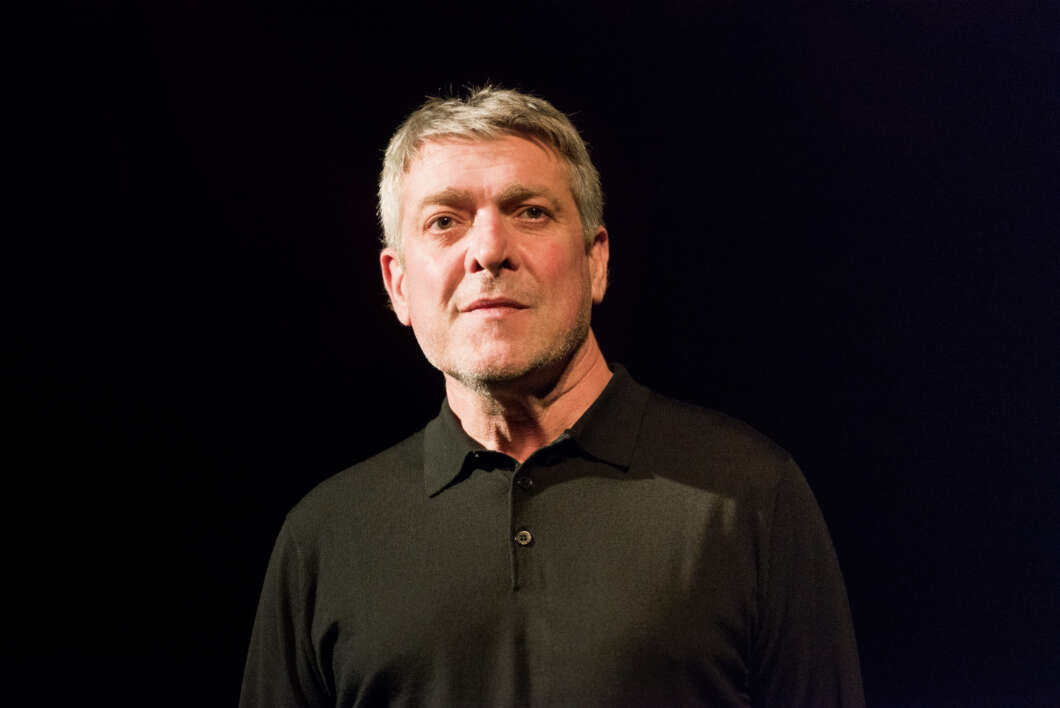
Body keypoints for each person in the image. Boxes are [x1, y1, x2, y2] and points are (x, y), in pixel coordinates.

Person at [240, 86, 865, 707]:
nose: (489, 251)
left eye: (530, 212)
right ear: (398, 284)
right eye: (445, 221)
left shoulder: (749, 495)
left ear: (596, 261)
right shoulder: (326, 538)